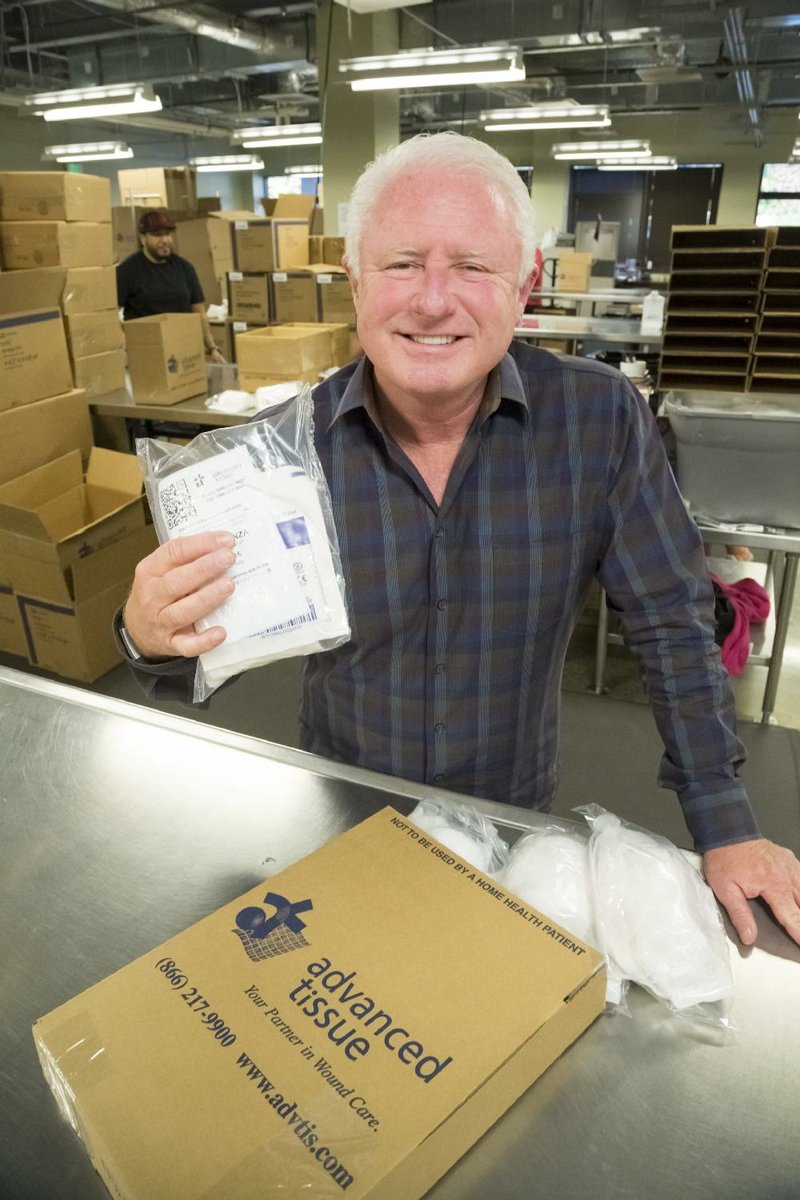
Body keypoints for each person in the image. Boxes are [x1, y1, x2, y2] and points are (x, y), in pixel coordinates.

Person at [119, 133, 800, 949]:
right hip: (339, 808)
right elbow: (192, 659)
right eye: (402, 263)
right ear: (355, 282)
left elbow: (671, 623)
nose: (434, 301)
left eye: (473, 267)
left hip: (513, 819)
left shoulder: (599, 422)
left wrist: (725, 825)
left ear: (525, 285)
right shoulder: (275, 458)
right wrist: (146, 636)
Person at [116, 207, 225, 363]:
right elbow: (112, 315)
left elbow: (199, 313)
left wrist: (212, 348)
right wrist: (126, 347)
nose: (165, 240)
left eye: (167, 234)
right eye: (157, 235)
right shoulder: (127, 271)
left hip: (183, 351)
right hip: (147, 355)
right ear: (142, 238)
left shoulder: (185, 268)